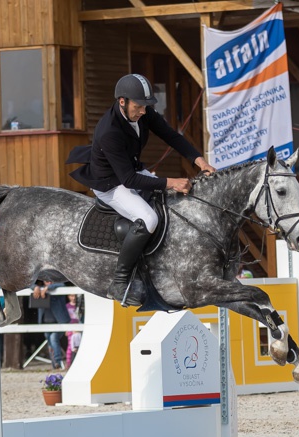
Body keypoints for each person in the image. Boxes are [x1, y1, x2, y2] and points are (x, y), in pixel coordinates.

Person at [68, 73, 215, 306]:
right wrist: (171, 182)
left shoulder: (142, 111)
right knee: (148, 219)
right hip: (111, 183)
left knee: (172, 203)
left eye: (146, 106)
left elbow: (171, 136)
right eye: (138, 107)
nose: (143, 112)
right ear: (122, 101)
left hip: (132, 171)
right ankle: (119, 282)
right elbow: (128, 180)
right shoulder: (109, 131)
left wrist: (200, 161)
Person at [32, 280, 70, 369]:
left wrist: (48, 288)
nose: (48, 282)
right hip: (46, 322)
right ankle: (55, 365)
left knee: (53, 338)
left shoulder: (57, 288)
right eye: (46, 281)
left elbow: (62, 284)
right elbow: (28, 285)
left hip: (59, 321)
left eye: (50, 281)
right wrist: (35, 287)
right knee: (50, 343)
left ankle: (57, 361)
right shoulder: (39, 289)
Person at [65, 292, 83, 367]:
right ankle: (68, 363)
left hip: (79, 327)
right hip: (70, 328)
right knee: (70, 346)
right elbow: (65, 318)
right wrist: (67, 329)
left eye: (75, 296)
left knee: (80, 345)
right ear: (68, 296)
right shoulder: (66, 306)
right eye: (71, 296)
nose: (74, 298)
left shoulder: (79, 306)